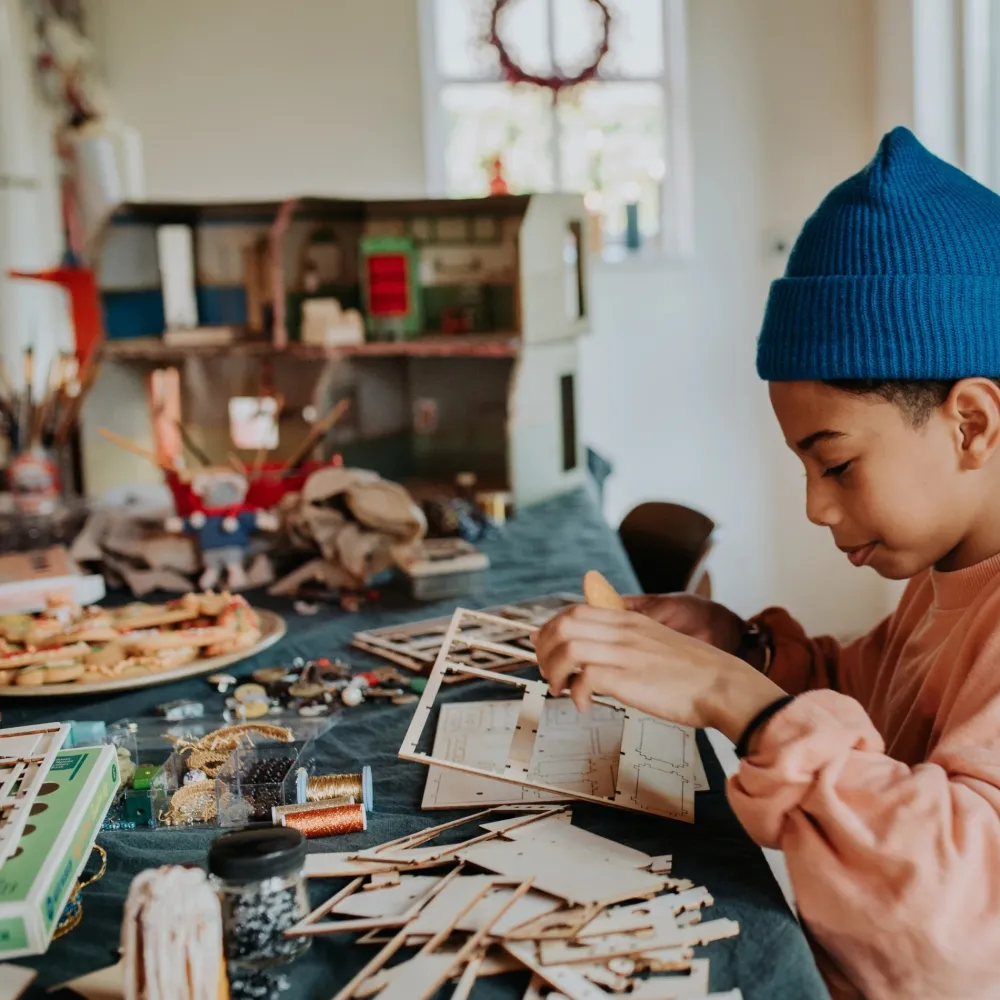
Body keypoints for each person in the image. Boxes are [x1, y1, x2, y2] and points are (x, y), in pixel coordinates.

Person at [535, 127, 1000, 1000]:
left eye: (837, 463)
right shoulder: (953, 568)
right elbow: (875, 692)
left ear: (970, 423)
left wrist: (737, 704)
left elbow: (967, 928)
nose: (816, 507)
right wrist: (744, 652)